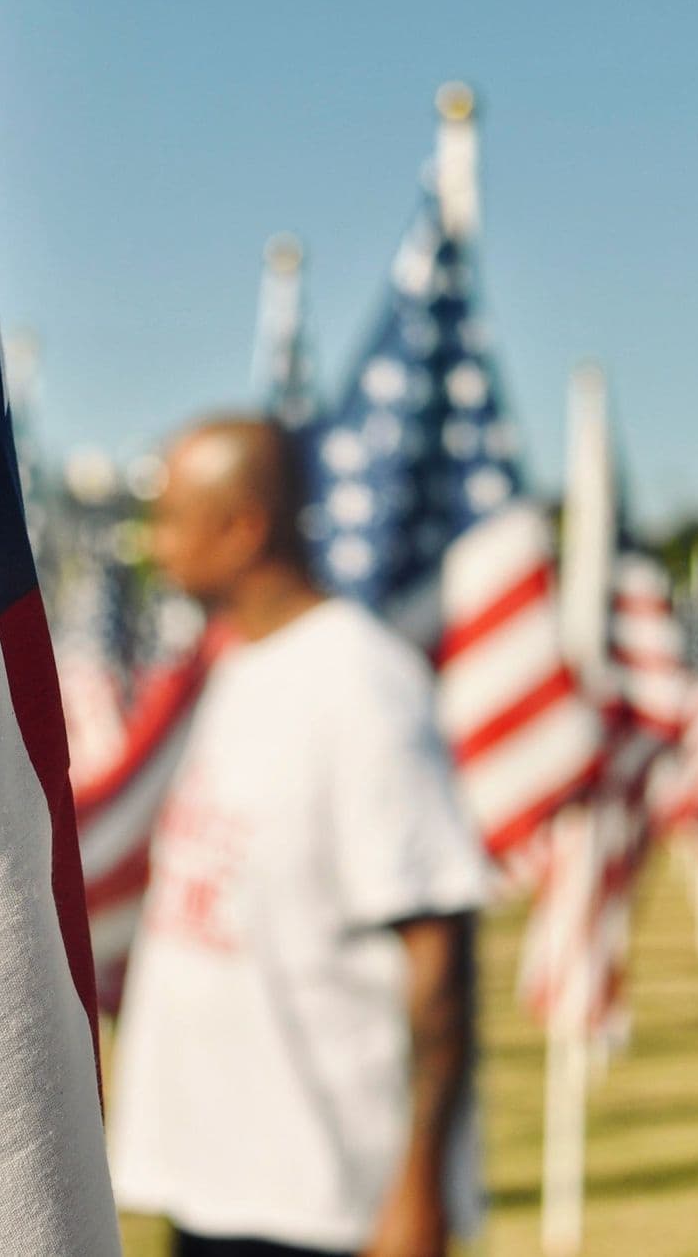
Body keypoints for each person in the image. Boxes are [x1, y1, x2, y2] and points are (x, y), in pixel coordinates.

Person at [108, 416, 491, 1257]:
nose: (154, 539)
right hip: (217, 1181)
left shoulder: (358, 680)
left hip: (323, 1201)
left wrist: (421, 1184)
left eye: (172, 516)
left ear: (242, 527)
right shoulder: (227, 667)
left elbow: (439, 944)